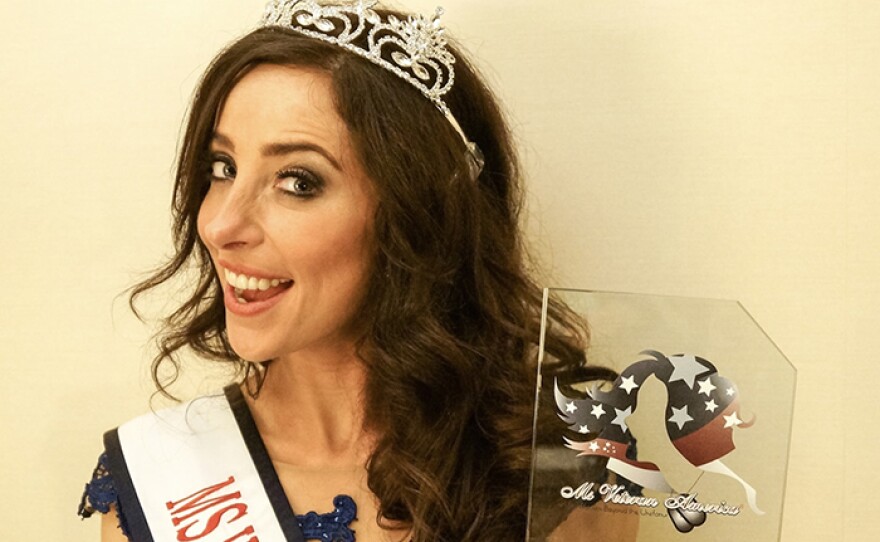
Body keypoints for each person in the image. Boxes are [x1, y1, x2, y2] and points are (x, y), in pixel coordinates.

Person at [79, 1, 605, 540]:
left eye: (298, 182)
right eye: (223, 168)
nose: (220, 225)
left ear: (417, 214)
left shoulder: (560, 479)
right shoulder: (151, 484)